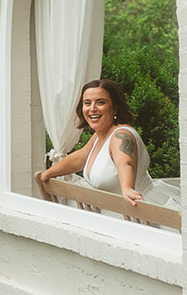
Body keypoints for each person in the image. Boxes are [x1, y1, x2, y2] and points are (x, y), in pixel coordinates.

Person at [35, 78, 153, 208]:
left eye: (100, 102)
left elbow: (125, 163)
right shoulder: (99, 136)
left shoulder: (121, 135)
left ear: (115, 108)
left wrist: (127, 188)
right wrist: (48, 173)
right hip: (115, 213)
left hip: (139, 211)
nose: (92, 109)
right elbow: (78, 159)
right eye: (87, 103)